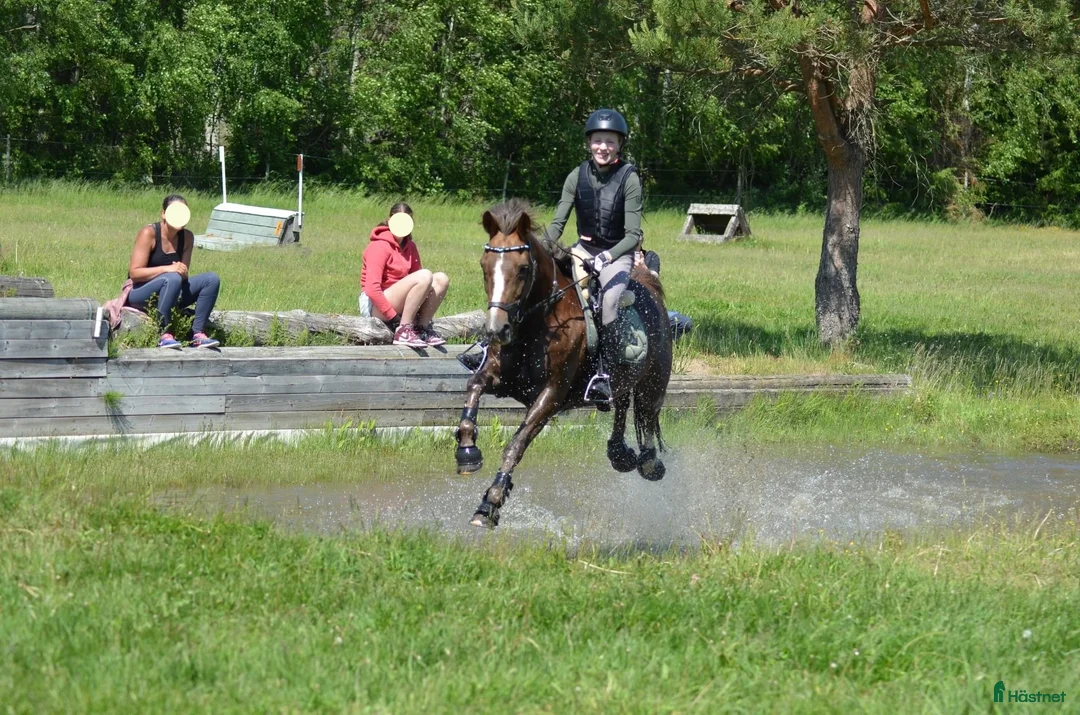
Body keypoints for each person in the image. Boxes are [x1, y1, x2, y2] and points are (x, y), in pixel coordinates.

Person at [543, 108, 643, 405]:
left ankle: (605, 376)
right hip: (582, 250)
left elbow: (633, 236)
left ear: (620, 145)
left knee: (609, 304)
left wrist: (607, 258)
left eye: (610, 141)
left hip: (617, 255)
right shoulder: (576, 176)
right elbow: (558, 223)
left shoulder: (630, 178)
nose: (603, 147)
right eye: (598, 140)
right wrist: (539, 246)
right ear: (589, 143)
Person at [126, 194, 221, 348]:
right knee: (171, 278)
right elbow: (135, 273)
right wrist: (168, 269)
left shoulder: (188, 237)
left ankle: (198, 333)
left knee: (211, 279)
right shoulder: (149, 233)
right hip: (139, 292)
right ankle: (164, 334)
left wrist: (181, 272)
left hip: (172, 289)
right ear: (163, 213)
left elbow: (182, 274)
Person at [359, 202, 450, 347]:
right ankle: (403, 330)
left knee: (441, 279)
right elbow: (371, 288)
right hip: (374, 304)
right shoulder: (379, 246)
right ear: (389, 221)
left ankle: (421, 328)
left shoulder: (410, 246)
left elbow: (421, 285)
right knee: (425, 275)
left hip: (397, 302)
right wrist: (394, 319)